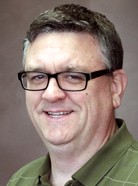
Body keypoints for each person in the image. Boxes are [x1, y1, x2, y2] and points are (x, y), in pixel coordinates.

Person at [7, 3, 138, 186]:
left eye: (73, 76)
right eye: (38, 76)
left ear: (115, 87)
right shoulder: (19, 181)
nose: (51, 94)